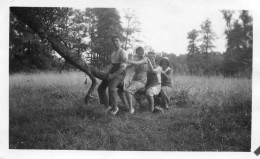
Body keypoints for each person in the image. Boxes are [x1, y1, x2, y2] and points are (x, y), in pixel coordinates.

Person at [97, 35, 127, 115]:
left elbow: (123, 68)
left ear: (120, 42)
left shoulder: (123, 52)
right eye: (114, 41)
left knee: (111, 87)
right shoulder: (113, 53)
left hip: (120, 73)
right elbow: (112, 65)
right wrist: (106, 71)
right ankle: (107, 106)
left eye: (117, 40)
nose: (115, 42)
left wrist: (113, 75)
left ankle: (115, 107)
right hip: (112, 72)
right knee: (101, 88)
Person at [124, 46, 149, 114]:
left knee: (128, 91)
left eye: (142, 50)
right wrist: (122, 66)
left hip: (142, 81)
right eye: (139, 51)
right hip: (135, 80)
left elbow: (138, 63)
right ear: (137, 53)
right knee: (122, 89)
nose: (141, 52)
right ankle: (140, 106)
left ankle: (131, 108)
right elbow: (127, 66)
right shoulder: (136, 60)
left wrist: (129, 60)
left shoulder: (146, 59)